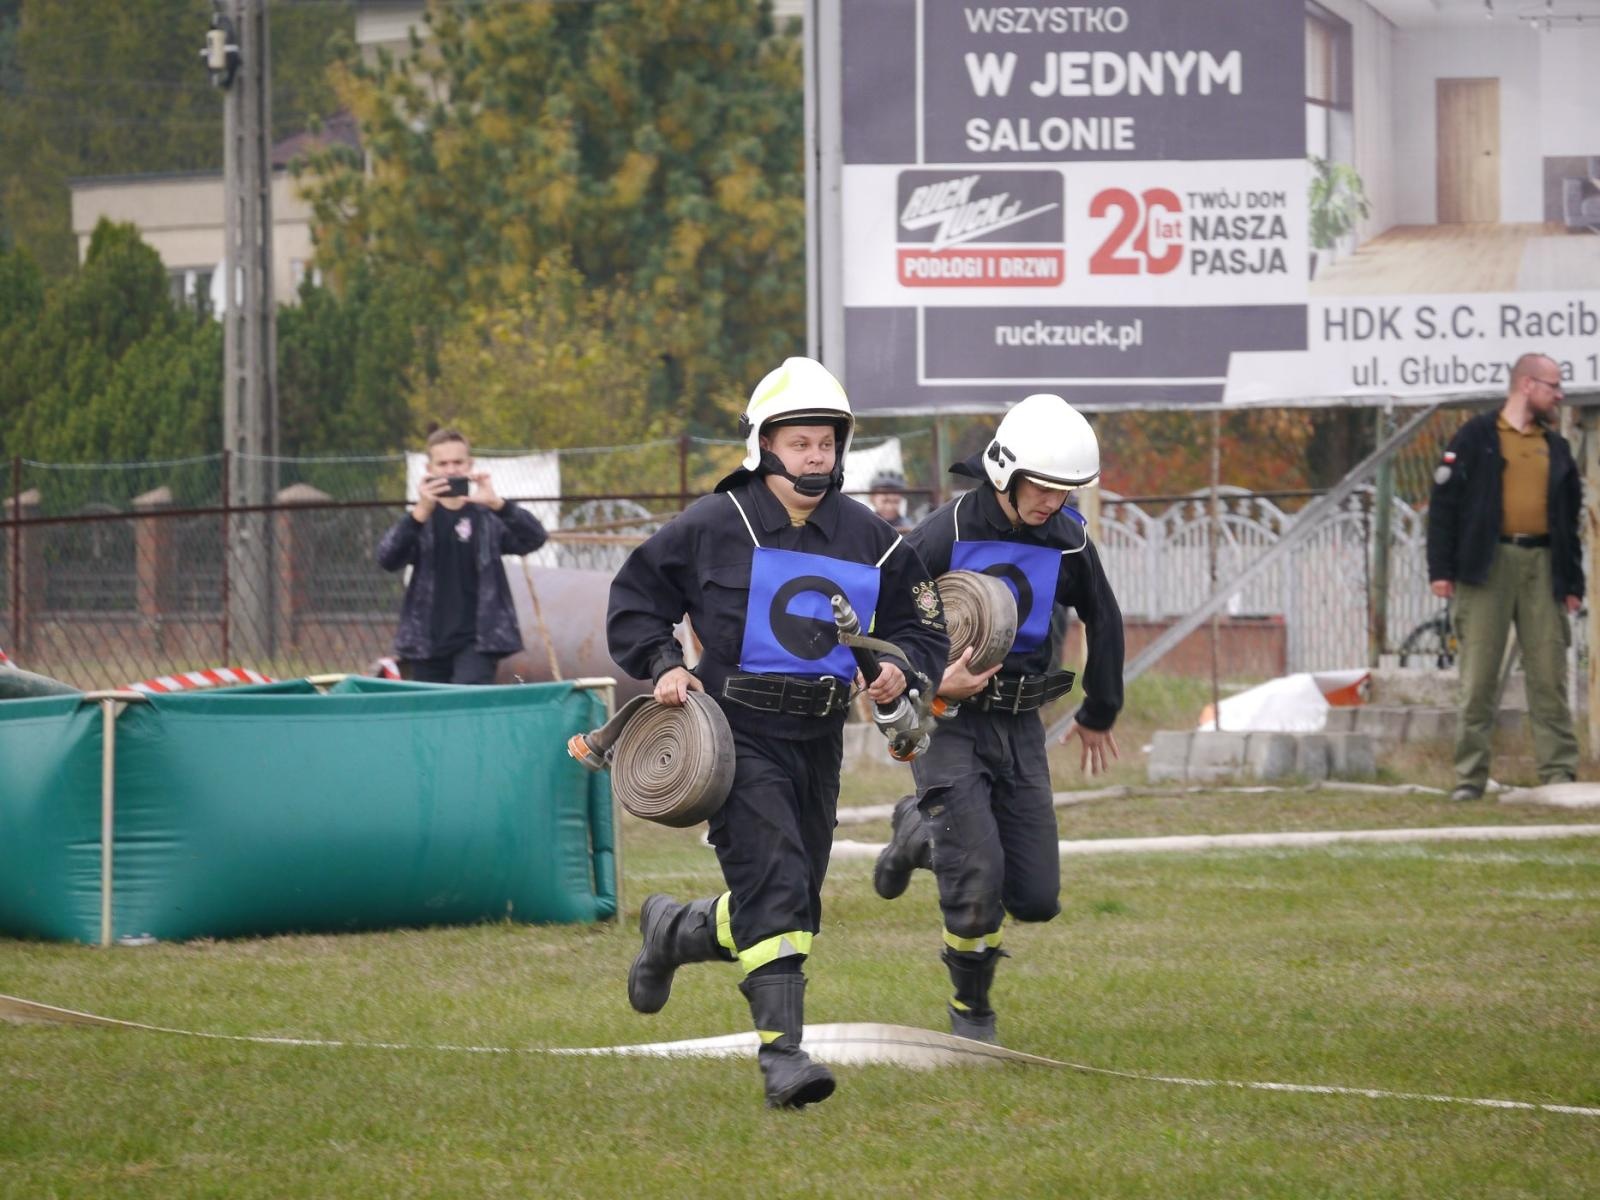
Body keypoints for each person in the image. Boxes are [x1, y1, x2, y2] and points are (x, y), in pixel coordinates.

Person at [606, 356, 948, 1108]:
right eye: (800, 442)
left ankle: (675, 930)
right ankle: (784, 1059)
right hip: (736, 733)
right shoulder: (709, 524)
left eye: (826, 441)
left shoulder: (875, 537)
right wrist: (665, 664)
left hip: (820, 740)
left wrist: (900, 671)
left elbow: (923, 626)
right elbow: (634, 600)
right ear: (764, 445)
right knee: (777, 885)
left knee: (792, 897)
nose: (815, 456)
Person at [872, 393, 1125, 1045]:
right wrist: (930, 686)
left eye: (1068, 493)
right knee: (977, 873)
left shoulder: (1067, 539)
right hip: (947, 720)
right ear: (1007, 474)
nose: (1056, 504)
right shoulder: (943, 533)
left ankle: (916, 835)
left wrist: (1101, 707)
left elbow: (1104, 614)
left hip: (1020, 727)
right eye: (1047, 489)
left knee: (1036, 898)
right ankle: (971, 1006)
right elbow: (886, 623)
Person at [1427, 352, 1582, 802]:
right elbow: (1445, 507)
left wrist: (1572, 585)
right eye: (1553, 386)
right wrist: (1441, 570)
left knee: (1548, 676)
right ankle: (1469, 778)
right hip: (1487, 567)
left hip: (1542, 566)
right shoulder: (1476, 437)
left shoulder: (1555, 447)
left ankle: (1559, 774)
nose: (1559, 395)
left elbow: (1569, 521)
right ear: (1527, 385)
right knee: (1478, 678)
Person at [376, 427, 548, 684]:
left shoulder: (487, 517)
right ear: (429, 468)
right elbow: (387, 558)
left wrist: (499, 504)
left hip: (478, 641)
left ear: (470, 465)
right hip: (426, 642)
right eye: (442, 463)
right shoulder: (421, 519)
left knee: (466, 705)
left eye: (458, 462)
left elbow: (535, 537)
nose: (451, 469)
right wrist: (420, 512)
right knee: (431, 714)